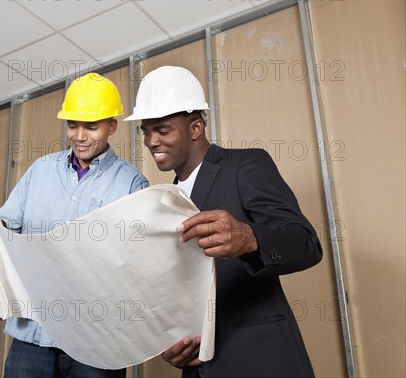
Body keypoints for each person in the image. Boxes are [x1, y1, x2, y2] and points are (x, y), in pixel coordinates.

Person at [125, 66, 323, 377]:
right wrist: (169, 344)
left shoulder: (245, 165)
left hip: (260, 359)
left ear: (195, 128)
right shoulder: (161, 204)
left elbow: (306, 243)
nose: (151, 141)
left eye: (162, 130)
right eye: (146, 131)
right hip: (199, 369)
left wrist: (250, 238)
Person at [0, 72, 148, 378]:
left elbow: (137, 268)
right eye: (72, 124)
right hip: (33, 336)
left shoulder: (133, 185)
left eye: (91, 126)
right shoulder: (40, 171)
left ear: (112, 126)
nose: (79, 135)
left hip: (96, 343)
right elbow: (3, 246)